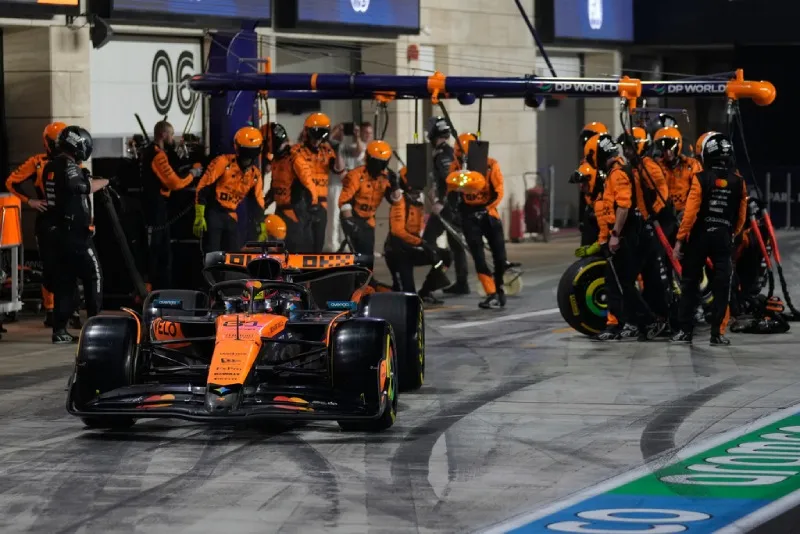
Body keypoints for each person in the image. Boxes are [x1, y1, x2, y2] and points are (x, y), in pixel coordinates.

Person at [584, 133, 662, 341]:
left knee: (621, 282)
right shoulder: (615, 172)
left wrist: (615, 235)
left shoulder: (618, 173)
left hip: (629, 234)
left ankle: (646, 321)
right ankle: (636, 323)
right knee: (619, 281)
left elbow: (624, 206)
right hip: (632, 233)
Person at [671, 132, 748, 345]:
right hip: (723, 237)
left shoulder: (700, 178)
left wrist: (679, 240)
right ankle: (717, 333)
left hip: (699, 237)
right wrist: (731, 233)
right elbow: (741, 216)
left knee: (689, 284)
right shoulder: (738, 181)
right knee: (722, 284)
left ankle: (685, 331)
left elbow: (690, 213)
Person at [43, 126, 108, 343]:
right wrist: (103, 182)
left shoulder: (50, 166)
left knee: (66, 282)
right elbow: (78, 186)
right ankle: (95, 325)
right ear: (77, 145)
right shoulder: (66, 166)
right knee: (94, 274)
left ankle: (59, 330)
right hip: (75, 235)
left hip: (58, 233)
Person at [5, 122, 69, 327]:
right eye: (56, 141)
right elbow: (11, 182)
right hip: (48, 219)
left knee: (71, 264)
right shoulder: (38, 162)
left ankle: (71, 308)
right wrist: (29, 201)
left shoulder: (74, 161)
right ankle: (50, 310)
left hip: (69, 218)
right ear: (47, 142)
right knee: (50, 266)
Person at [619, 127, 671, 337]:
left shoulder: (648, 167)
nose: (626, 150)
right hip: (640, 230)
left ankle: (655, 318)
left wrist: (651, 216)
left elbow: (662, 192)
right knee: (648, 279)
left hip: (652, 230)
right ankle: (652, 319)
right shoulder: (632, 167)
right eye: (624, 147)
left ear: (640, 145)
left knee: (643, 279)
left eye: (629, 146)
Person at [449, 133, 508, 309]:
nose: (460, 158)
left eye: (462, 155)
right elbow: (451, 190)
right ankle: (490, 293)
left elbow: (499, 191)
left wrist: (486, 208)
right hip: (469, 215)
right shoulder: (456, 167)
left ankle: (500, 289)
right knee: (478, 256)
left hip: (489, 212)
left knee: (500, 255)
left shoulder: (491, 165)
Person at [141, 120, 202, 290]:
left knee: (162, 252)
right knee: (157, 252)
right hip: (156, 208)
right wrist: (193, 174)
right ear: (163, 134)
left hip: (154, 206)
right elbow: (174, 183)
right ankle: (151, 290)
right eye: (171, 133)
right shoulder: (157, 156)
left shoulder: (150, 152)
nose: (173, 137)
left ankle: (159, 288)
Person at [384, 167, 451, 304]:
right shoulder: (400, 202)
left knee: (445, 256)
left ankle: (427, 290)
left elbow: (420, 230)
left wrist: (426, 245)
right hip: (398, 252)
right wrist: (421, 243)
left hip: (412, 249)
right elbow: (398, 231)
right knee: (409, 299)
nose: (418, 194)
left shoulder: (419, 204)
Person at [194, 127, 266, 253]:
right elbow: (203, 188)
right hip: (214, 213)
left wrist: (261, 225)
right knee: (212, 255)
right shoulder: (223, 162)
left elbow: (258, 203)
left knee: (233, 256)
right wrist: (200, 215)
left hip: (231, 215)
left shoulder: (255, 175)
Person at [422, 116, 470, 295]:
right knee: (456, 244)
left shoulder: (443, 155)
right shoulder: (446, 152)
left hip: (447, 207)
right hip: (453, 206)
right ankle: (462, 281)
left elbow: (450, 180)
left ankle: (439, 275)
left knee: (428, 241)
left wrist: (441, 203)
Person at [291, 112, 346, 253]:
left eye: (320, 134)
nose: (316, 139)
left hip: (322, 204)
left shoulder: (327, 151)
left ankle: (314, 273)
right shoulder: (298, 151)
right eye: (313, 134)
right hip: (303, 202)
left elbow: (339, 170)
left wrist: (337, 148)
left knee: (318, 245)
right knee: (305, 244)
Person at [339, 140, 396, 257]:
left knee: (368, 254)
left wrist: (395, 187)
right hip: (353, 217)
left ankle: (366, 274)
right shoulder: (355, 175)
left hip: (369, 219)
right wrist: (350, 222)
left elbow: (394, 199)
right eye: (377, 162)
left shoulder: (387, 177)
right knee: (359, 254)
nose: (379, 167)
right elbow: (344, 200)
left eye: (383, 163)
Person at [263, 122, 309, 252]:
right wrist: (262, 204)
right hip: (281, 210)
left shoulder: (295, 159)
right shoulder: (277, 160)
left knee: (294, 252)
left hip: (294, 212)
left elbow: (307, 186)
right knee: (279, 251)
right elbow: (275, 187)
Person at [654, 126, 703, 227]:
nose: (668, 153)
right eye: (664, 149)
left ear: (678, 146)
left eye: (671, 148)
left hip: (687, 215)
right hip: (663, 216)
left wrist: (687, 212)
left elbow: (698, 193)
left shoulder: (692, 165)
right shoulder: (656, 166)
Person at [577, 122, 609, 245]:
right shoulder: (585, 163)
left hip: (604, 214)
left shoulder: (607, 164)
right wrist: (581, 218)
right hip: (590, 212)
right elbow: (582, 193)